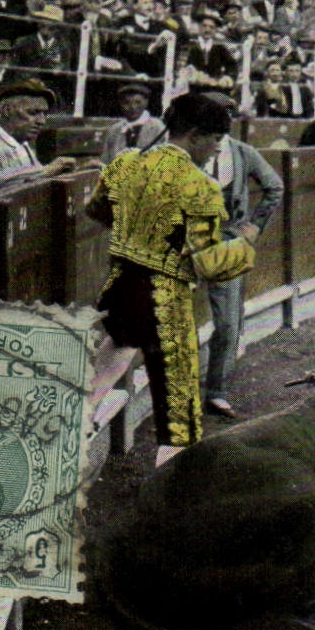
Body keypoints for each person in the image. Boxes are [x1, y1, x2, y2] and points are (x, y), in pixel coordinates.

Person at [85, 93, 257, 467]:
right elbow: (210, 264)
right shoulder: (199, 186)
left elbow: (96, 209)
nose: (216, 150)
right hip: (165, 297)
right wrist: (244, 247)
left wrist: (138, 230)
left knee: (108, 360)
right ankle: (173, 495)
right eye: (214, 140)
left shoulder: (126, 163)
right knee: (178, 414)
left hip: (121, 287)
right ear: (194, 136)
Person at [198, 96, 283, 419]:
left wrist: (254, 226)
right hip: (187, 239)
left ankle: (216, 391)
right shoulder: (187, 150)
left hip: (227, 239)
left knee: (227, 320)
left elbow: (275, 186)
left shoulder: (242, 152)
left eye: (227, 115)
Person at [0, 77, 78, 197]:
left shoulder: (22, 146)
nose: (41, 121)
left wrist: (77, 171)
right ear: (7, 111)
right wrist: (45, 171)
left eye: (44, 114)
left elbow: (37, 178)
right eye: (32, 112)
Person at [99, 81, 165, 164]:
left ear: (146, 102)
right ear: (120, 104)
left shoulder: (157, 128)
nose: (132, 107)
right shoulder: (114, 131)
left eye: (138, 102)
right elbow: (106, 162)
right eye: (126, 103)